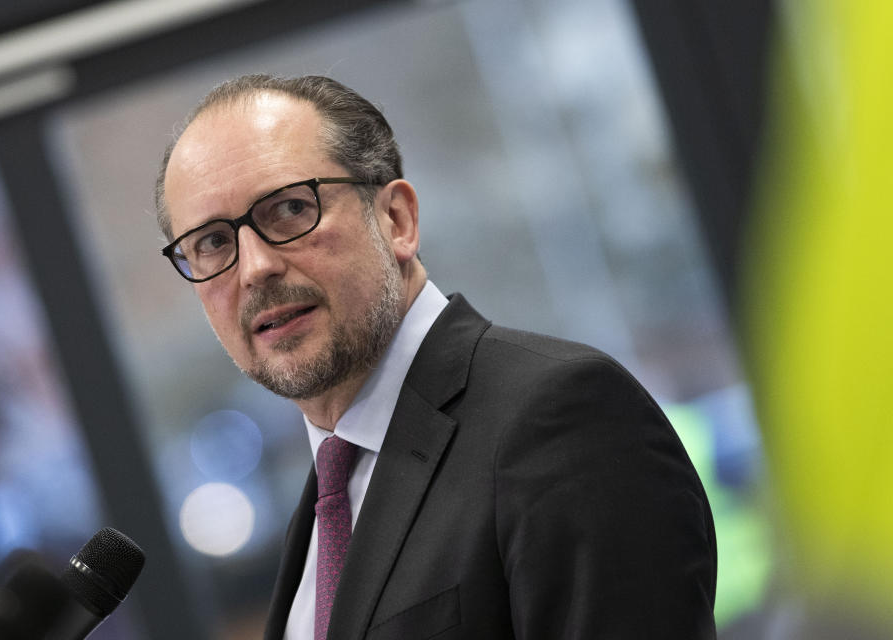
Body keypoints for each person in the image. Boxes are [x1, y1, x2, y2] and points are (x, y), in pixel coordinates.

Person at [155, 74, 717, 639]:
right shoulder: (323, 508)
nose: (254, 269)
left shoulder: (560, 415)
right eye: (212, 243)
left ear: (396, 220)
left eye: (291, 209)